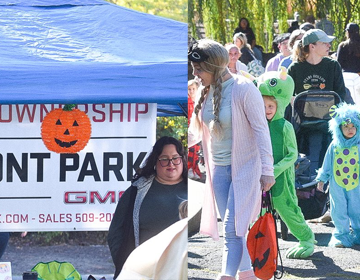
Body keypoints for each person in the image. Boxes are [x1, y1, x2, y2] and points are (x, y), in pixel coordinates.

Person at [191, 39, 275, 280]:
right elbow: (196, 131)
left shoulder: (244, 89)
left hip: (246, 168)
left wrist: (267, 170)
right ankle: (246, 275)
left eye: (199, 69)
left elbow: (261, 131)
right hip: (218, 169)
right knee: (235, 231)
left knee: (232, 229)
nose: (196, 74)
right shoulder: (204, 90)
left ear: (214, 66)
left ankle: (226, 276)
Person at [107, 136, 188, 278]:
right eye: (164, 159)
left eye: (175, 158)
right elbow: (115, 233)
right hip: (144, 273)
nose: (171, 163)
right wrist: (127, 267)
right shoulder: (136, 191)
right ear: (155, 162)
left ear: (182, 159)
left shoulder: (196, 190)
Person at [257, 71, 319, 258]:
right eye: (263, 105)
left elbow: (292, 155)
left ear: (279, 104)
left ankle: (307, 238)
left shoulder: (285, 126)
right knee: (258, 213)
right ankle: (258, 243)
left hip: (281, 178)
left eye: (270, 105)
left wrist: (274, 170)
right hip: (260, 178)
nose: (267, 109)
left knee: (288, 209)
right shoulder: (259, 125)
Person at [314, 104, 360, 248]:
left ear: (359, 127)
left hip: (356, 185)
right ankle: (341, 236)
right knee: (339, 211)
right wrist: (321, 179)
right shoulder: (334, 146)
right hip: (337, 185)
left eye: (353, 127)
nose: (350, 130)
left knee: (357, 210)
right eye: (346, 127)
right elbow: (327, 163)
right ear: (339, 128)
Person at [288, 29, 353, 104]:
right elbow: (288, 96)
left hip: (329, 114)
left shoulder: (333, 65)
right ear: (312, 46)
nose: (329, 45)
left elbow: (341, 94)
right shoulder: (294, 68)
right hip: (302, 115)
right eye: (324, 43)